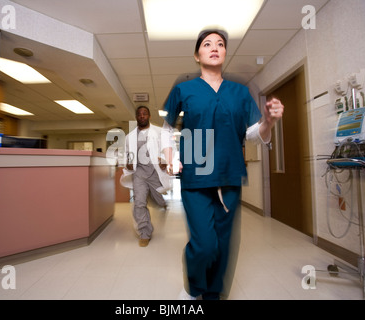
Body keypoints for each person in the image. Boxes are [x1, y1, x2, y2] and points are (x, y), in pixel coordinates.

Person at [161, 29, 284, 300]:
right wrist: (172, 158)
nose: (214, 47)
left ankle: (214, 294)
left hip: (229, 174)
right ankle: (194, 289)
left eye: (220, 44)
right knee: (205, 244)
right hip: (195, 175)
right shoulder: (184, 89)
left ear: (225, 52)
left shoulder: (240, 93)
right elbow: (166, 128)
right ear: (197, 55)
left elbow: (253, 135)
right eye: (207, 44)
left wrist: (269, 122)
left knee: (224, 244)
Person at [121, 106, 172, 247]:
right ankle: (145, 232)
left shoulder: (159, 132)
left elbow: (168, 148)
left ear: (149, 116)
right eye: (139, 114)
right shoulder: (129, 137)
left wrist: (164, 159)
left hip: (155, 173)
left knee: (158, 195)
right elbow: (127, 155)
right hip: (139, 174)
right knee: (139, 203)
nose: (142, 116)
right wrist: (128, 164)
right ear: (136, 117)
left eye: (144, 114)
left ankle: (161, 202)